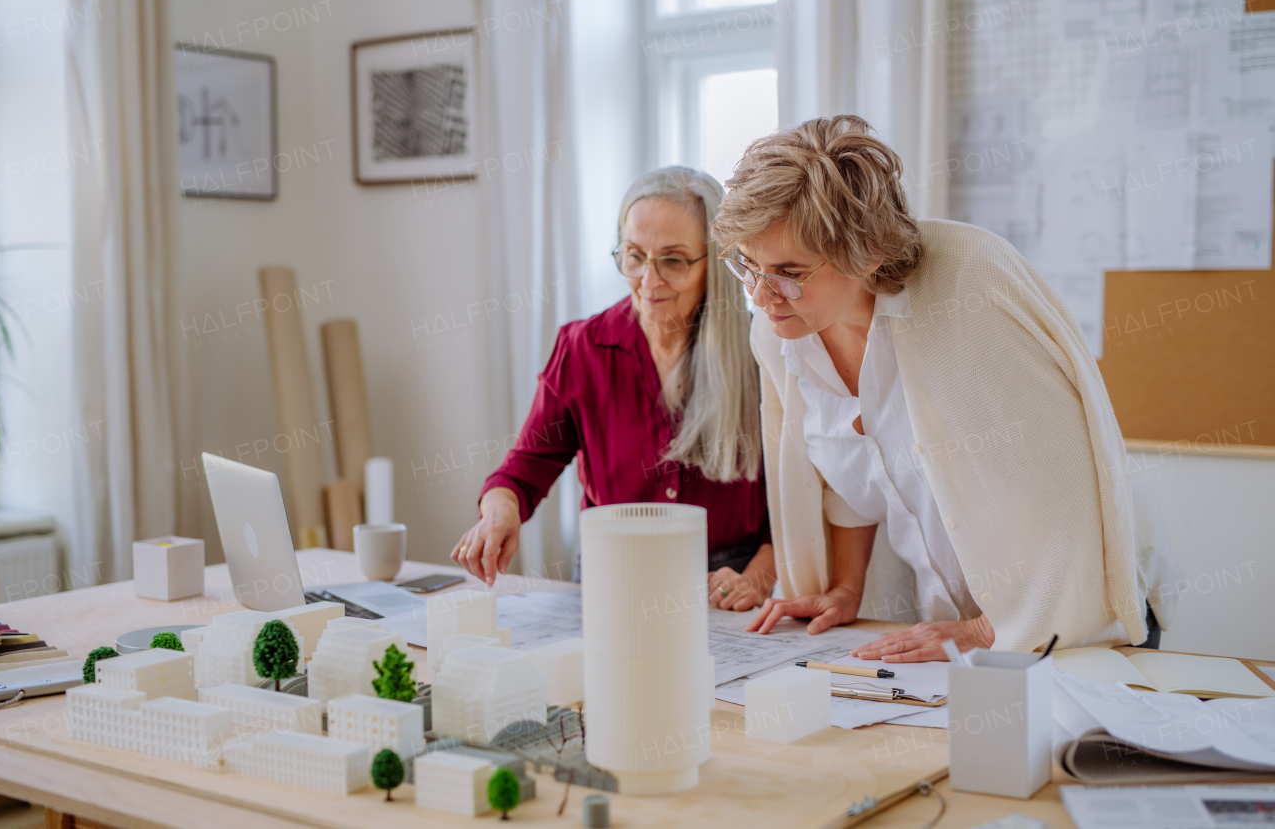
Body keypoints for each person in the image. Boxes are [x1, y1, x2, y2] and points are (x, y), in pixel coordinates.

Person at [708, 115, 1183, 659]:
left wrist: (987, 630)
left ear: (866, 254)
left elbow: (1063, 489)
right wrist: (844, 587)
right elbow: (848, 471)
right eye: (747, 265)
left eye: (788, 273)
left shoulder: (971, 287)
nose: (761, 297)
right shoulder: (783, 337)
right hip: (963, 621)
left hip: (1082, 613)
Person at [453, 166, 775, 610]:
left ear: (714, 264)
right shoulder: (582, 348)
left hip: (724, 588)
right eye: (633, 255)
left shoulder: (765, 352)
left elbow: (798, 494)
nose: (648, 280)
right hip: (611, 580)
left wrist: (759, 575)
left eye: (674, 260)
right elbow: (523, 470)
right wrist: (499, 513)